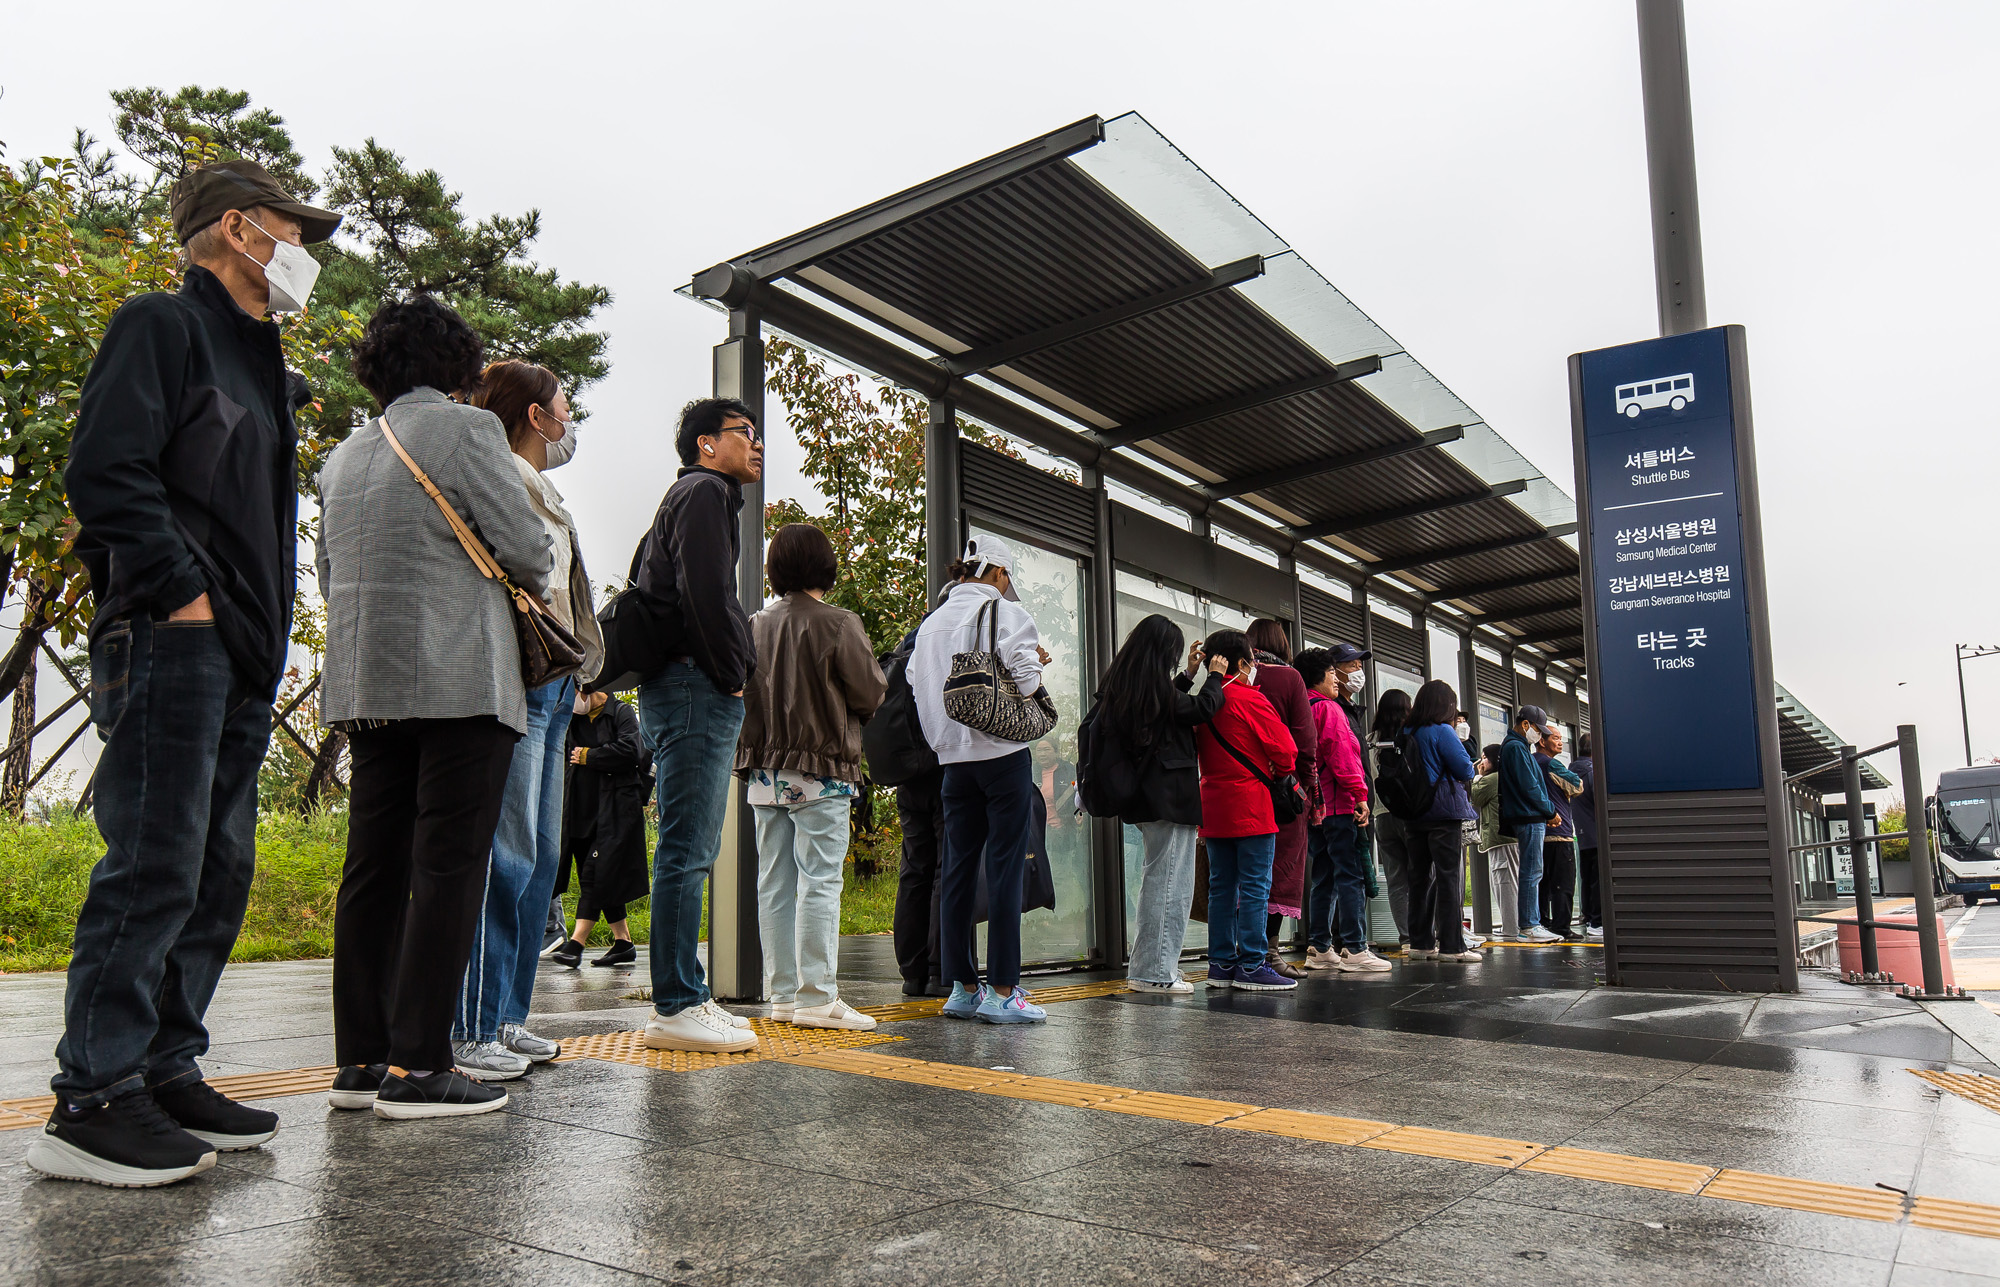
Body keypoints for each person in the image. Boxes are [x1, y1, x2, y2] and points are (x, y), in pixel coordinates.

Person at [30, 161, 343, 1187]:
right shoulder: (159, 325)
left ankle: (165, 1065)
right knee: (155, 863)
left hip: (239, 650)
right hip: (174, 637)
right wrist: (181, 592)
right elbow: (104, 472)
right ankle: (92, 1096)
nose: (306, 254)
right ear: (237, 228)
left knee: (217, 870)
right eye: (296, 231)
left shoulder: (261, 359)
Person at [317, 294, 554, 1119]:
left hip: (364, 681)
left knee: (373, 866)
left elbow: (327, 577)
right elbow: (528, 551)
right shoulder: (469, 432)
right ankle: (420, 1065)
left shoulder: (341, 459)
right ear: (457, 363)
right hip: (457, 676)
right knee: (448, 865)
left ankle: (361, 1061)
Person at [450, 361, 603, 1078]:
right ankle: (473, 1024)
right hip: (516, 681)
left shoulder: (545, 489)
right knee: (507, 855)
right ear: (535, 416)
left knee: (541, 858)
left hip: (554, 688)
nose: (570, 420)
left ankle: (508, 1017)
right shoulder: (506, 477)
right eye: (563, 407)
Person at [633, 398, 763, 1053]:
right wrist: (734, 670)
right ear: (707, 444)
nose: (758, 444)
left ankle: (687, 991)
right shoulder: (705, 492)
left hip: (683, 684)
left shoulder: (698, 497)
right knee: (686, 850)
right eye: (746, 433)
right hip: (693, 686)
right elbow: (707, 593)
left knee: (690, 849)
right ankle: (676, 1002)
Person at [735, 523, 888, 1030]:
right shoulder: (838, 623)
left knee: (774, 882)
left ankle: (782, 997)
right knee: (820, 880)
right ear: (824, 565)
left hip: (765, 771)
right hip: (820, 769)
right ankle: (818, 997)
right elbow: (870, 693)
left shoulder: (755, 623)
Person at [909, 535, 1053, 1024]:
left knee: (957, 871)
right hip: (1003, 755)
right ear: (996, 573)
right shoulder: (1006, 615)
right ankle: (1004, 990)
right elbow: (1029, 683)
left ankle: (964, 988)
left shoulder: (931, 624)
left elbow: (914, 681)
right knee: (1006, 868)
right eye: (1008, 577)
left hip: (952, 763)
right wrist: (1033, 668)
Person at [1088, 615, 1226, 993]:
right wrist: (1214, 676)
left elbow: (1168, 707)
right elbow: (1199, 709)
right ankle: (1155, 973)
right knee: (1169, 887)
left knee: (1159, 882)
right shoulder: (1152, 690)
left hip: (1149, 799)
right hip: (1170, 798)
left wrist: (1188, 675)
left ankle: (1150, 968)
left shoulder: (1125, 684)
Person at [1193, 629, 1301, 992]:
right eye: (1251, 662)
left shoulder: (1203, 703)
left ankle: (1221, 965)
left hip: (1213, 806)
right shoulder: (1249, 699)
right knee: (1255, 887)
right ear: (1241, 663)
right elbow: (1286, 753)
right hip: (1251, 807)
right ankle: (1253, 964)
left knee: (1221, 887)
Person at [1295, 649, 1388, 973]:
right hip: (1338, 804)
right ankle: (1355, 947)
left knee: (1324, 877)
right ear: (1317, 676)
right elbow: (1342, 754)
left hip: (1315, 810)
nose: (1338, 678)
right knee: (1350, 876)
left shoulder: (1301, 707)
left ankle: (1320, 946)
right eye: (1332, 672)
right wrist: (1359, 794)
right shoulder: (1329, 710)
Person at [549, 688, 651, 968]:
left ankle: (576, 944)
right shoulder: (571, 720)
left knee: (596, 874)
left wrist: (589, 756)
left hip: (614, 811)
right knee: (592, 875)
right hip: (580, 810)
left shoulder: (621, 713)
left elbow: (632, 751)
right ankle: (624, 942)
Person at [1244, 620, 1316, 978]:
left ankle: (1234, 956)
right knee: (1279, 871)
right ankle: (1268, 953)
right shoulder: (1289, 679)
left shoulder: (1233, 676)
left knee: (1235, 876)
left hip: (1237, 788)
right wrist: (1311, 793)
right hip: (1283, 791)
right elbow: (1305, 743)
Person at [1401, 681, 1482, 963]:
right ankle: (1451, 946)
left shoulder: (1406, 730)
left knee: (1419, 879)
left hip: (1413, 813)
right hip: (1442, 813)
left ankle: (1420, 944)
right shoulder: (1442, 731)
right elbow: (1464, 768)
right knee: (1448, 877)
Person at [1496, 705, 1562, 945]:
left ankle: (1531, 923)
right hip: (1529, 816)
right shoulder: (1516, 748)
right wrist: (1550, 811)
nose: (1540, 735)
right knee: (1532, 872)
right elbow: (1530, 786)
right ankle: (1529, 925)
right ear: (1525, 725)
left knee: (1532, 871)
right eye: (1537, 729)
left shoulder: (1517, 747)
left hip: (1528, 816)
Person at [1368, 689, 1416, 949]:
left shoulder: (1370, 740)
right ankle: (1425, 934)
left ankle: (1406, 938)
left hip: (1381, 816)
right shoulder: (1410, 737)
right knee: (1421, 875)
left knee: (1397, 881)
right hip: (1409, 815)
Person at [1537, 727, 1585, 941]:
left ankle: (1541, 923)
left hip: (1538, 832)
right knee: (1563, 883)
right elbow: (1577, 785)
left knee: (1541, 883)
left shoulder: (1530, 762)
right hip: (1560, 832)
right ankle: (1562, 927)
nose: (1560, 743)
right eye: (1555, 738)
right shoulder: (1551, 763)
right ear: (1542, 741)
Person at [1471, 746, 1522, 942]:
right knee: (1506, 883)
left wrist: (1477, 777)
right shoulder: (1508, 776)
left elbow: (1474, 796)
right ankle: (1512, 927)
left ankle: (1511, 929)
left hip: (1501, 840)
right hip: (1507, 839)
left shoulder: (1494, 779)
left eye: (1485, 758)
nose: (1481, 762)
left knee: (1505, 884)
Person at [1573, 733, 1602, 939]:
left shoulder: (1573, 770)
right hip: (1596, 833)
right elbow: (1599, 799)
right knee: (1598, 879)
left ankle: (1590, 916)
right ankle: (1598, 921)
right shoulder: (1592, 772)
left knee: (1588, 877)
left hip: (1583, 834)